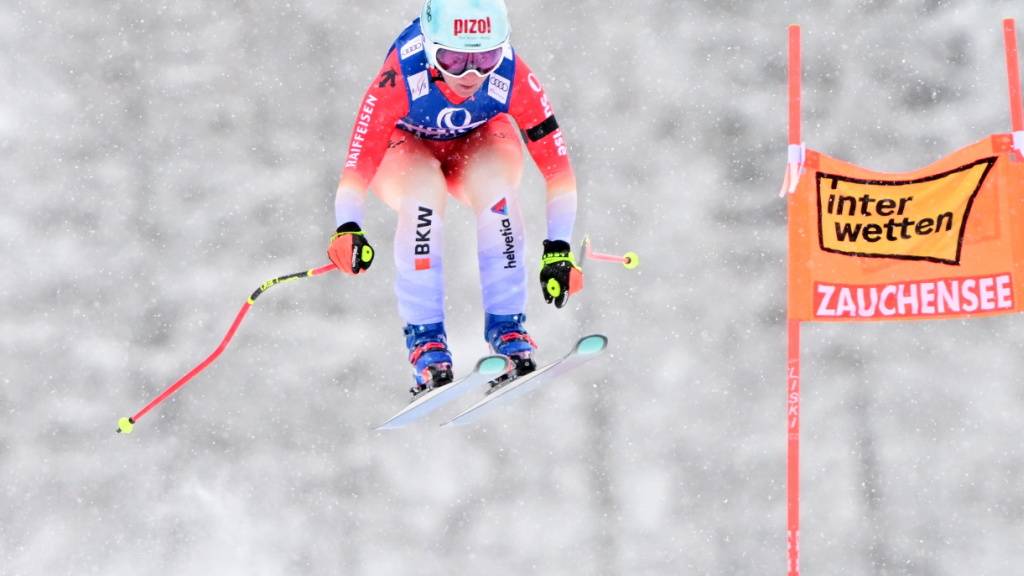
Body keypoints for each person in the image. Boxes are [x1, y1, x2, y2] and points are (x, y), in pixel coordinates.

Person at [327, 0, 583, 396]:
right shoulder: (402, 73)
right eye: (453, 59)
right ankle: (425, 341)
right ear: (430, 49)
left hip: (478, 143)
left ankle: (508, 328)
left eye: (486, 57)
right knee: (423, 197)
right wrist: (348, 227)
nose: (471, 74)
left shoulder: (512, 75)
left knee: (498, 195)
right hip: (406, 148)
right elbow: (356, 169)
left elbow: (559, 172)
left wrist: (559, 249)